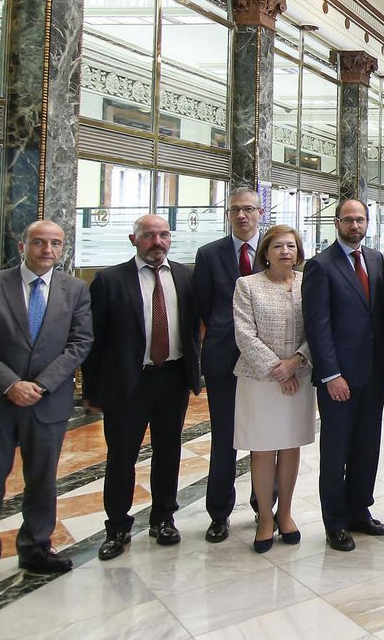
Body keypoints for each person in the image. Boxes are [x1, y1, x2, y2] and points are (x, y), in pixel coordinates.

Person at [0, 221, 93, 598]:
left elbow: (80, 343)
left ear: (62, 249)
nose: (47, 249)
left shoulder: (74, 290)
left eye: (55, 244)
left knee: (42, 480)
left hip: (47, 403)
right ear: (22, 245)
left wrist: (41, 384)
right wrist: (11, 384)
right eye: (39, 242)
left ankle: (36, 548)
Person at [86, 214, 201, 562]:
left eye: (163, 234)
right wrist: (92, 392)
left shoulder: (185, 276)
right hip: (128, 381)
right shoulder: (108, 281)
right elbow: (93, 341)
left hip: (173, 377)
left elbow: (194, 327)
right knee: (121, 455)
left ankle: (163, 518)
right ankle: (117, 526)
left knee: (169, 450)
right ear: (133, 239)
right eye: (149, 235)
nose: (157, 241)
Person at [302, 198, 384, 552]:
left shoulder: (375, 259)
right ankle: (335, 522)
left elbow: (378, 319)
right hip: (339, 377)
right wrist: (330, 374)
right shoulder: (320, 266)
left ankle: (359, 511)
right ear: (336, 223)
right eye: (349, 220)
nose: (355, 226)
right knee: (336, 451)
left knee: (367, 447)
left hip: (373, 373)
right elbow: (317, 326)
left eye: (361, 220)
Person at [231, 225, 314, 552]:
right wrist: (278, 370)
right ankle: (265, 517)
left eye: (291, 246)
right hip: (259, 381)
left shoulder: (307, 285)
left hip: (299, 377)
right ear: (265, 252)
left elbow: (318, 327)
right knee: (263, 450)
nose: (285, 252)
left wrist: (295, 362)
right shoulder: (247, 285)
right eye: (277, 246)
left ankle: (286, 513)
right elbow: (244, 334)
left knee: (291, 447)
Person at [192, 187, 267, 542]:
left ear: (260, 212)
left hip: (266, 362)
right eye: (235, 209)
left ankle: (263, 506)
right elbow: (202, 310)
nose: (242, 215)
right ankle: (219, 513)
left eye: (248, 209)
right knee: (224, 438)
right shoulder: (209, 255)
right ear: (228, 214)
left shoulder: (275, 250)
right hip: (224, 360)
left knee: (265, 438)